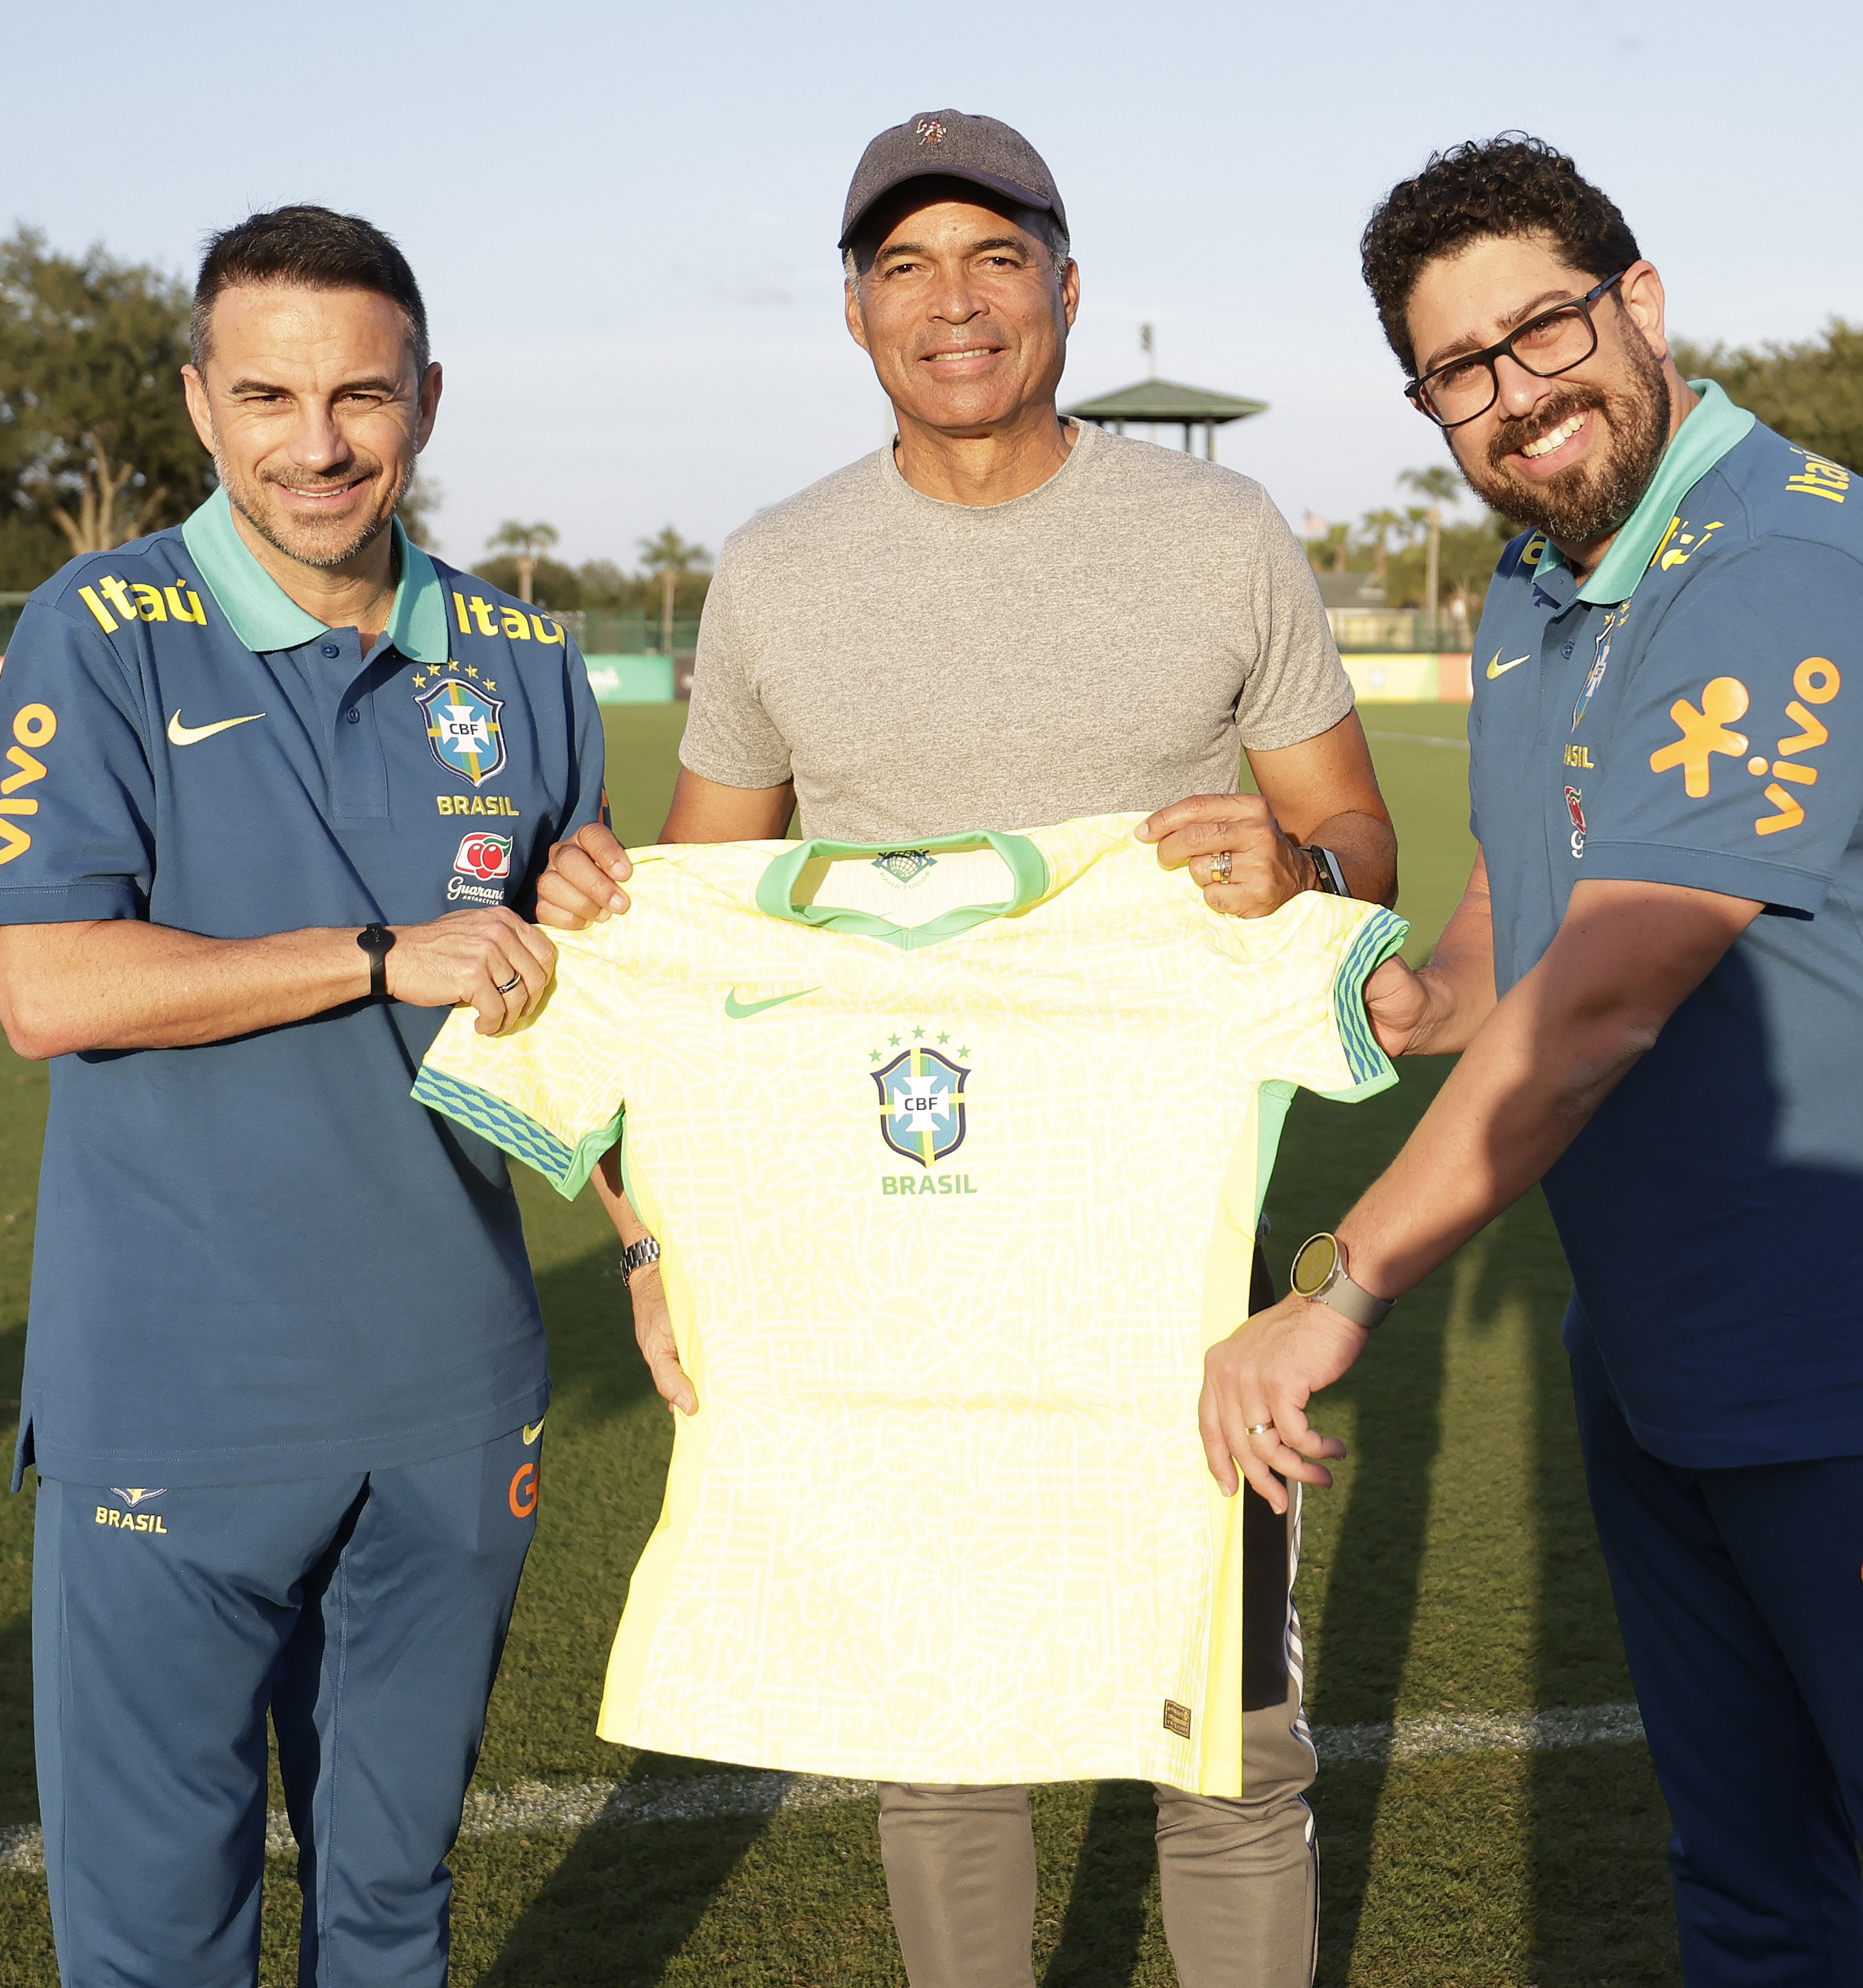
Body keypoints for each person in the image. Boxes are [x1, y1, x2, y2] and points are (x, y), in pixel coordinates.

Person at [1203, 134, 1863, 1986]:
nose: (1512, 397)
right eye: (1456, 371)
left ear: (1635, 302)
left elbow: (1605, 1002)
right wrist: (1370, 985)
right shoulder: (1538, 580)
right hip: (1659, 1356)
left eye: (1540, 329)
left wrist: (1333, 1286)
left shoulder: (1779, 567)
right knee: (1745, 1889)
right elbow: (1514, 930)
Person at [538, 109, 1396, 1988]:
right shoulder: (773, 570)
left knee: (1227, 1737)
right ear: (852, 314)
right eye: (904, 266)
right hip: (879, 1233)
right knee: (933, 1740)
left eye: (994, 257)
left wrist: (1294, 862)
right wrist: (647, 1215)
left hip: (1154, 1236)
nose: (953, 303)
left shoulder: (1217, 531)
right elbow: (711, 921)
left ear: (1063, 288)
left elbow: (1360, 845)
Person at [0, 204, 604, 1988]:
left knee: (391, 1914)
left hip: (454, 1409)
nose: (315, 444)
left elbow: (576, 1018)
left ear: (428, 401)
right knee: (160, 1945)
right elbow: (49, 985)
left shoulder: (526, 664)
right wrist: (383, 951)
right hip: (175, 1403)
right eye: (266, 394)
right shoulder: (98, 629)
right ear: (195, 401)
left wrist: (642, 1223)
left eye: (360, 397)